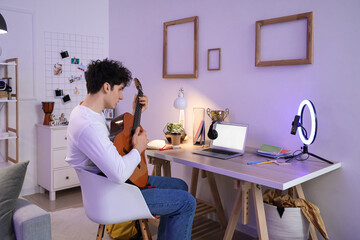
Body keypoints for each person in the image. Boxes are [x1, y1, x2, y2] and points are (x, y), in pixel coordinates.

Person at [65, 59, 196, 240]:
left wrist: (135, 114)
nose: (121, 97)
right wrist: (139, 148)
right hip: (112, 196)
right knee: (187, 202)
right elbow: (119, 172)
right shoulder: (89, 126)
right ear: (106, 87)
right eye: (119, 90)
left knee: (180, 186)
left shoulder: (85, 113)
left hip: (111, 187)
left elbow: (114, 149)